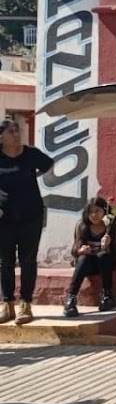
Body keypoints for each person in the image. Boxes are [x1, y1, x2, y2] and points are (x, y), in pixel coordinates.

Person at [0, 117, 54, 325]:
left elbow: (47, 164)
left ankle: (25, 303)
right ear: (1, 137)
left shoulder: (31, 154)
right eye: (11, 131)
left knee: (28, 260)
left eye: (17, 130)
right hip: (4, 218)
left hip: (31, 215)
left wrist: (32, 175)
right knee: (5, 261)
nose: (16, 134)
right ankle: (7, 304)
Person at [64, 198, 116, 317]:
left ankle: (107, 295)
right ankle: (71, 298)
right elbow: (75, 249)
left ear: (105, 212)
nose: (93, 215)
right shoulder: (82, 226)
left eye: (97, 211)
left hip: (105, 263)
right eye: (90, 212)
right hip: (87, 264)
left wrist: (108, 246)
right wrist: (81, 250)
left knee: (103, 255)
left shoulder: (113, 227)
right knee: (84, 259)